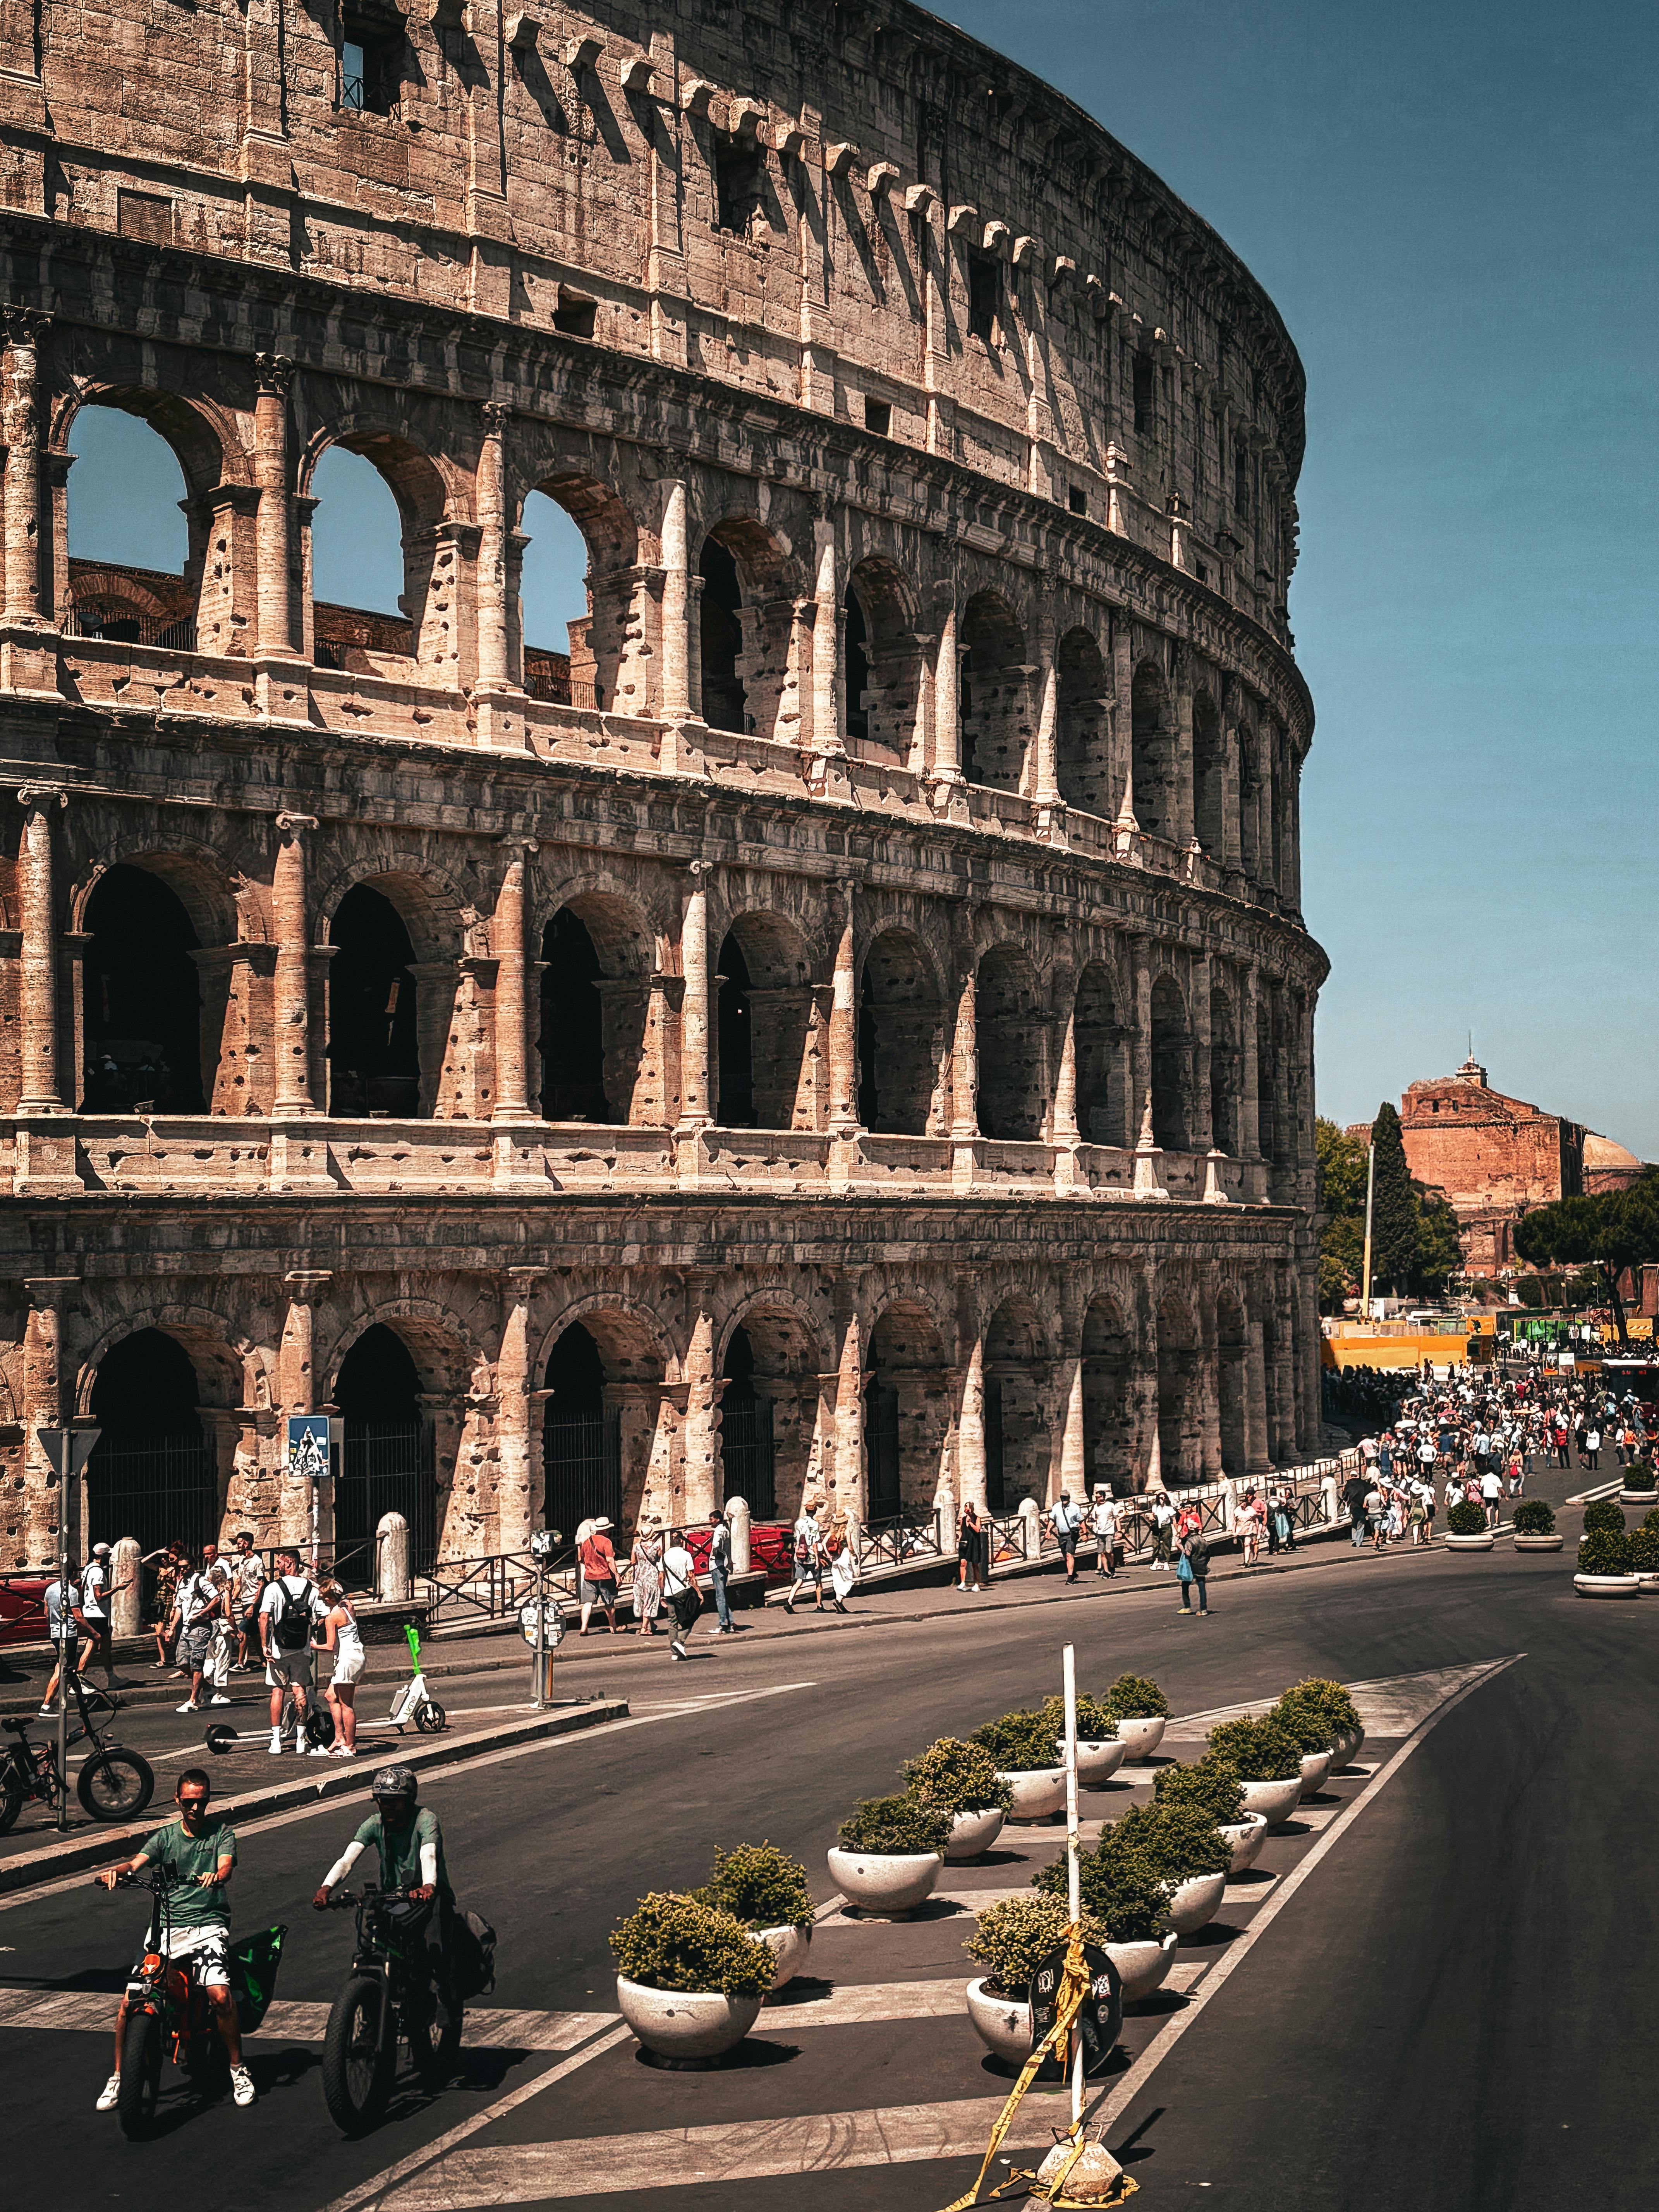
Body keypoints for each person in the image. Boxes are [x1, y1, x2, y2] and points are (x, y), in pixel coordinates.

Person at [94, 1769, 256, 2112]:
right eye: (189, 1802)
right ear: (177, 1800)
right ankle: (119, 2076)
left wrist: (217, 1875)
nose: (196, 1808)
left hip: (208, 1927)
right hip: (165, 1929)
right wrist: (116, 1873)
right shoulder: (165, 1836)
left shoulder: (221, 1834)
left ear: (208, 1800)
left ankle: (238, 2068)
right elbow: (136, 1864)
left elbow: (226, 1867)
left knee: (221, 1996)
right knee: (128, 2002)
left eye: (202, 1801)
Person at [312, 1765, 455, 2024]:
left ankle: (446, 1998)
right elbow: (347, 1859)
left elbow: (429, 1853)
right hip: (393, 1897)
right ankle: (370, 2020)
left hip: (429, 1895)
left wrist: (429, 1886)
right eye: (381, 1802)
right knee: (370, 1946)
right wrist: (326, 1887)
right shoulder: (373, 1824)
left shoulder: (426, 1819)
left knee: (435, 1944)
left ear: (409, 1799)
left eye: (393, 1802)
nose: (386, 1808)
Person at [258, 1546, 328, 1754]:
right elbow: (324, 1616)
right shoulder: (312, 1588)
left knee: (278, 1692)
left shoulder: (273, 1588)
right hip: (302, 1649)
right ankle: (301, 1739)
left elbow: (264, 1617)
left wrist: (265, 1645)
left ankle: (277, 1741)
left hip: (278, 1649)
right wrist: (312, 1632)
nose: (278, 1566)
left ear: (290, 1563)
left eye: (280, 1562)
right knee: (300, 1691)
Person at [169, 1546, 228, 1716]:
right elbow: (179, 1606)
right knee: (182, 1662)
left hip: (201, 1628)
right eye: (180, 1567)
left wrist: (202, 1613)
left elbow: (217, 1598)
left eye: (186, 1567)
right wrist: (173, 1627)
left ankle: (194, 1700)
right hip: (187, 1628)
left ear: (193, 1566)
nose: (183, 1570)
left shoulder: (200, 1581)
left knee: (197, 1663)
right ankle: (207, 1687)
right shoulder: (181, 1583)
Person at [314, 1580, 364, 1757]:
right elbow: (346, 1601)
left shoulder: (332, 1617)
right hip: (354, 1656)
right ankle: (339, 1738)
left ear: (330, 1598)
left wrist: (313, 1645)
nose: (323, 1601)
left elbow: (329, 1646)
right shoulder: (349, 1607)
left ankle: (350, 1746)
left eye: (324, 1598)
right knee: (330, 1696)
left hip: (348, 1659)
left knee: (346, 1705)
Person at [39, 1566, 88, 1716]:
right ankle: (46, 1706)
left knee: (68, 1668)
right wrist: (93, 1632)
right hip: (69, 1634)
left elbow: (46, 1613)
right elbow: (78, 1616)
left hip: (55, 1633)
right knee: (62, 1669)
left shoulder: (50, 1589)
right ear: (73, 1573)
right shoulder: (71, 1592)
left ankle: (81, 1699)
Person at [660, 1528, 700, 1659]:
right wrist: (699, 1592)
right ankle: (680, 1641)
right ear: (682, 1542)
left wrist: (662, 1595)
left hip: (669, 1592)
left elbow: (661, 1577)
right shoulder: (686, 1555)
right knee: (692, 1616)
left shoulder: (665, 1556)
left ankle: (674, 1652)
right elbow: (691, 1575)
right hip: (683, 1592)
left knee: (672, 1621)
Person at [576, 1516, 619, 1636]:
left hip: (589, 1576)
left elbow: (581, 1559)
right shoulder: (607, 1542)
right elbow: (610, 1560)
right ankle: (613, 1627)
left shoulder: (586, 1542)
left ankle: (584, 1628)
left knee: (588, 1603)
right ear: (605, 1531)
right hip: (605, 1576)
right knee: (609, 1603)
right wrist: (617, 1575)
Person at [783, 1498, 825, 1614]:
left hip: (800, 1556)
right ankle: (820, 1605)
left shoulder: (798, 1523)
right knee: (818, 1582)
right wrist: (817, 1560)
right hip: (811, 1556)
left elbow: (797, 1538)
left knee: (799, 1581)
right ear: (815, 1512)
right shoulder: (815, 1525)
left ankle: (789, 1601)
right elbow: (815, 1544)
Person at [231, 1532, 266, 1670]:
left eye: (239, 1543)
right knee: (255, 1633)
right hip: (244, 1600)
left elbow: (261, 1584)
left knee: (242, 1630)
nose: (237, 1546)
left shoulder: (257, 1561)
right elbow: (240, 1582)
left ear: (247, 1543)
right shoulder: (242, 1561)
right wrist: (233, 1599)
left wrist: (253, 1605)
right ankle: (264, 1661)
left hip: (253, 1601)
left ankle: (240, 1663)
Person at [629, 1519, 664, 1637]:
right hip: (652, 1576)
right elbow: (659, 1559)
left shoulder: (636, 1547)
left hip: (640, 1576)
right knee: (650, 1601)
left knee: (643, 1600)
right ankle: (644, 1628)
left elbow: (633, 1562)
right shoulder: (657, 1547)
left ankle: (652, 1625)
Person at [706, 1508, 735, 1633]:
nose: (710, 1522)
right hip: (725, 1564)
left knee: (720, 1596)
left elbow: (716, 1546)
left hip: (717, 1565)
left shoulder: (718, 1532)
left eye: (712, 1520)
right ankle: (731, 1623)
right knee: (723, 1594)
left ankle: (723, 1624)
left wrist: (714, 1556)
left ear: (717, 1520)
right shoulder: (726, 1530)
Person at [1176, 1521, 1210, 1616]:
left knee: (1185, 1586)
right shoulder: (1203, 1540)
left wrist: (1179, 1547)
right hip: (1202, 1565)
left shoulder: (1190, 1542)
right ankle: (1204, 1610)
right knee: (1202, 1588)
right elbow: (1208, 1554)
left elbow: (1187, 1554)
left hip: (1192, 1566)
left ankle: (1187, 1607)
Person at [827, 1508, 858, 1610]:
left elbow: (823, 1544)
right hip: (844, 1556)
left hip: (835, 1558)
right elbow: (850, 1547)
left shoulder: (832, 1532)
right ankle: (840, 1601)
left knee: (838, 1580)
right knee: (848, 1579)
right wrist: (855, 1555)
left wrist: (829, 1556)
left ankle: (839, 1601)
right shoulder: (846, 1531)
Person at [1048, 1491, 1082, 1582]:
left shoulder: (1075, 1507)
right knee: (1065, 1555)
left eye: (1066, 1498)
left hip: (1071, 1534)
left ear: (1069, 1498)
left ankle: (1070, 1578)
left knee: (1069, 1554)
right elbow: (1052, 1520)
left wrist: (1085, 1532)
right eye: (1063, 1498)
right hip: (1061, 1535)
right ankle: (1073, 1572)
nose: (1064, 1500)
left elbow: (1082, 1520)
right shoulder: (1056, 1507)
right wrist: (1048, 1531)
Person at [957, 1500, 988, 1593]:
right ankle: (963, 1583)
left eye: (967, 1507)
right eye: (965, 1507)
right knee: (963, 1563)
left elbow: (978, 1530)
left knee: (975, 1564)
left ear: (971, 1508)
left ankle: (977, 1584)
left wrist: (970, 1523)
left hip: (974, 1543)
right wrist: (960, 1538)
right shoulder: (963, 1519)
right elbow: (961, 1530)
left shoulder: (977, 1518)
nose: (966, 1509)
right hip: (965, 1543)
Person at [1091, 1489, 1121, 1578]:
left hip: (1109, 1532)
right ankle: (1106, 1571)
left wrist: (1119, 1531)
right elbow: (1094, 1518)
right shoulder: (1096, 1507)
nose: (1097, 1499)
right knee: (1102, 1553)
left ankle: (1112, 1567)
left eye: (1099, 1497)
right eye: (1096, 1497)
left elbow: (1117, 1518)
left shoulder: (1110, 1506)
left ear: (1103, 1497)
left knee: (1108, 1551)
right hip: (1100, 1532)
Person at [1151, 1492, 1175, 1571]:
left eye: (1164, 1498)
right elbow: (1152, 1515)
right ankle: (1156, 1560)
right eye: (1160, 1498)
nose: (1162, 1500)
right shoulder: (1155, 1507)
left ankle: (1166, 1562)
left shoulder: (1169, 1508)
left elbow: (1174, 1520)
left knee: (1167, 1544)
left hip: (1166, 1527)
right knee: (1156, 1544)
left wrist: (1177, 1530)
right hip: (1157, 1527)